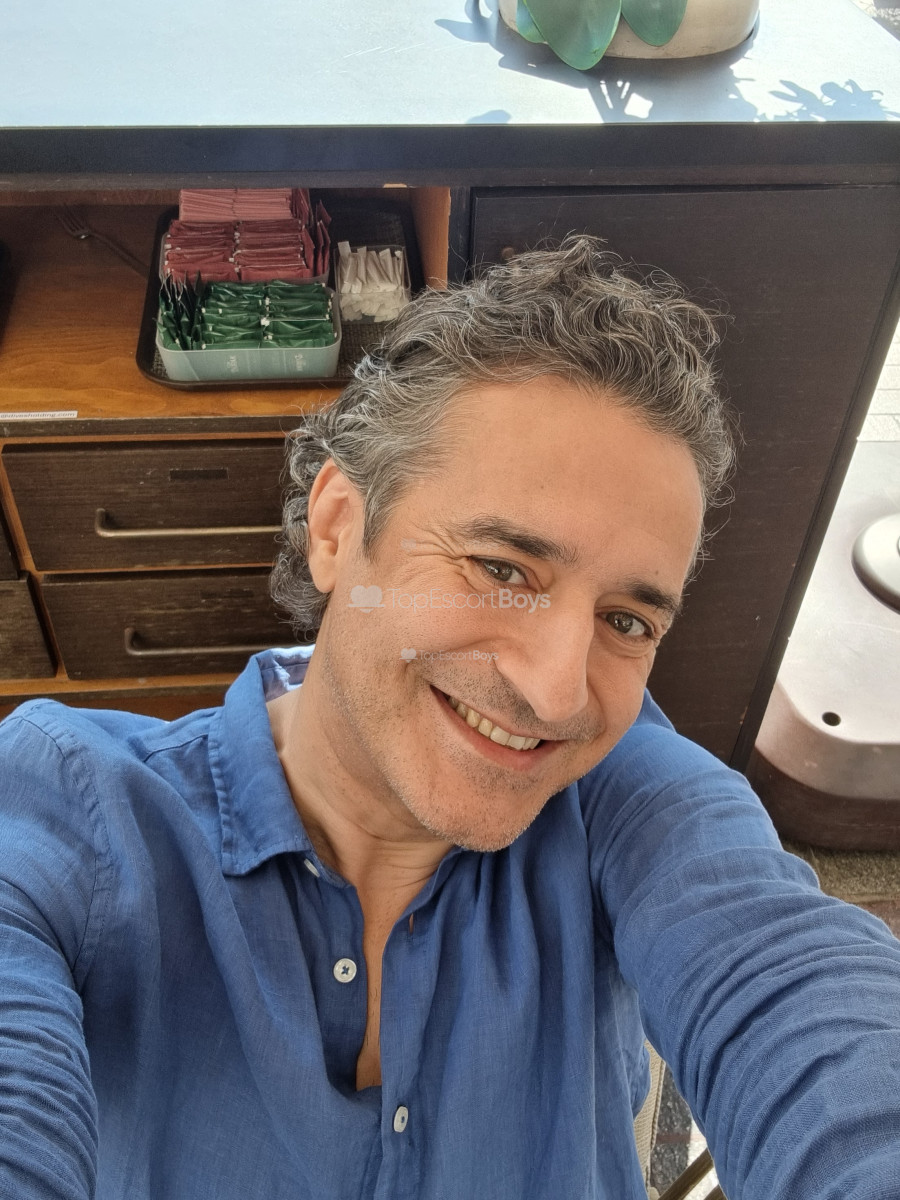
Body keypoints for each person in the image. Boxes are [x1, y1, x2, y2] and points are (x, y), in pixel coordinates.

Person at [1, 238, 898, 1200]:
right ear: (338, 528)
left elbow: (793, 994)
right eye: (502, 568)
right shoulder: (67, 805)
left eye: (627, 621)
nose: (558, 695)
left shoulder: (628, 803)